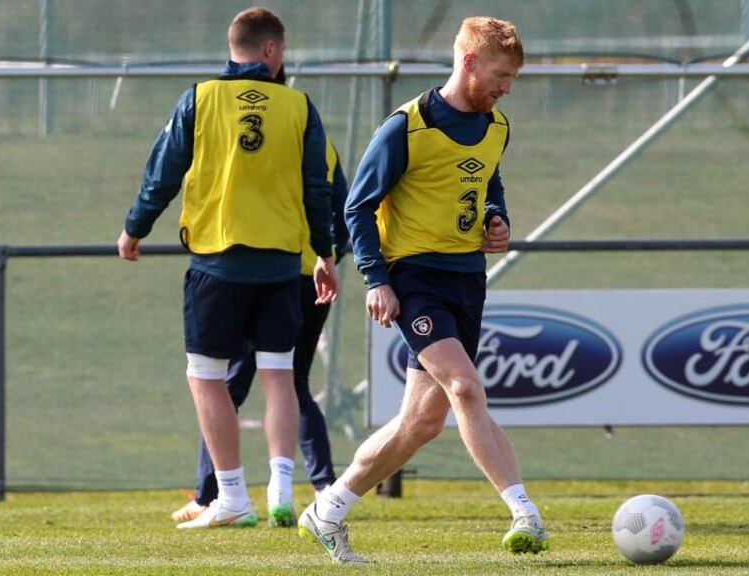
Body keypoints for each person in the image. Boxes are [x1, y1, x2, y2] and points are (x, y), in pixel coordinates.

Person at [297, 16, 548, 564]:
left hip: (466, 280)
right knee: (464, 388)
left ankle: (329, 509)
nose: (506, 88)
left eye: (512, 79)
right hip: (414, 277)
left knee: (421, 423)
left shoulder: (496, 126)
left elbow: (487, 181)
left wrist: (497, 218)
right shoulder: (407, 127)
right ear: (469, 63)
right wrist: (377, 280)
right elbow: (358, 207)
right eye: (500, 76)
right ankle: (525, 512)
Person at [117, 7, 337, 529]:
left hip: (217, 263)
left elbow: (163, 173)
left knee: (206, 377)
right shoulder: (299, 107)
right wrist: (324, 255)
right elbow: (317, 189)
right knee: (280, 376)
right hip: (283, 264)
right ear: (271, 51)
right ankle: (282, 485)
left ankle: (233, 497)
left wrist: (134, 229)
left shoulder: (200, 98)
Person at [171, 139, 349, 526]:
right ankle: (321, 488)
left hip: (269, 271)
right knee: (292, 381)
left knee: (222, 384)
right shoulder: (324, 146)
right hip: (315, 273)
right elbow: (341, 206)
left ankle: (212, 493)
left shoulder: (253, 136)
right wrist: (331, 254)